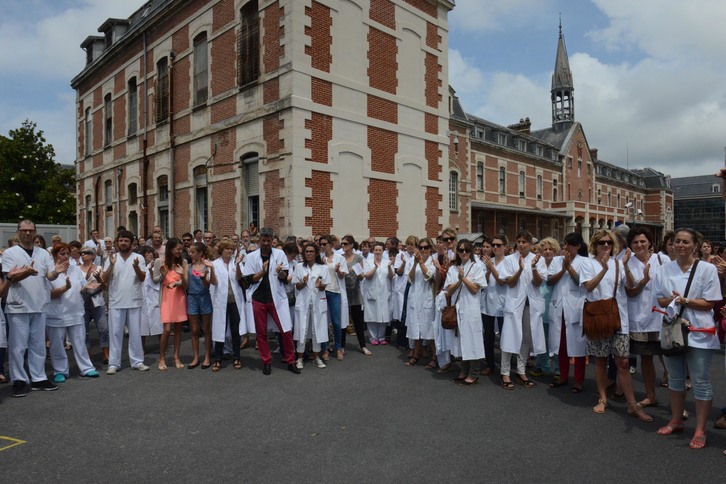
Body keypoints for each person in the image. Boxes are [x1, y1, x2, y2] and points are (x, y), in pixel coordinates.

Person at [655, 228, 721, 449]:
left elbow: (710, 302)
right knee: (675, 379)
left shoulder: (707, 269)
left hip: (699, 332)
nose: (680, 245)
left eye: (685, 242)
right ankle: (675, 420)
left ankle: (700, 429)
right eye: (677, 242)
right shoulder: (664, 269)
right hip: (673, 330)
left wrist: (684, 301)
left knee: (700, 381)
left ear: (695, 245)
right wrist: (670, 301)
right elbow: (660, 299)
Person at [581, 230, 651, 421]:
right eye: (602, 243)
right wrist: (603, 269)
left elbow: (630, 288)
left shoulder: (619, 263)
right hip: (597, 318)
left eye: (609, 243)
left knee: (623, 362)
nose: (606, 246)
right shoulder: (587, 263)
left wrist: (628, 268)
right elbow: (588, 287)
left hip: (619, 319)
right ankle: (603, 398)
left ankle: (631, 404)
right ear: (594, 245)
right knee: (601, 361)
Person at [2, 219, 68, 396]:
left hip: (39, 303)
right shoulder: (10, 253)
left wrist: (57, 272)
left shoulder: (43, 253)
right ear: (18, 232)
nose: (27, 233)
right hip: (18, 305)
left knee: (38, 345)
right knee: (17, 345)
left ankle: (38, 377)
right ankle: (19, 380)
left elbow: (49, 276)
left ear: (35, 231)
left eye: (31, 230)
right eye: (24, 230)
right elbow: (11, 278)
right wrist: (26, 273)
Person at [243, 227, 298, 375]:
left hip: (277, 299)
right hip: (258, 299)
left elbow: (285, 278)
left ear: (272, 241)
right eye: (263, 240)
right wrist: (262, 271)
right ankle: (266, 361)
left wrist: (280, 271)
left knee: (286, 330)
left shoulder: (280, 254)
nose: (266, 243)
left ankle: (291, 361)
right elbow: (248, 280)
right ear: (259, 240)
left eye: (269, 241)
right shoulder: (251, 257)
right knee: (261, 334)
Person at [498, 230, 546, 390]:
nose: (521, 244)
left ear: (530, 244)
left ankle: (521, 370)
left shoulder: (537, 259)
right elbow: (510, 283)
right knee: (509, 337)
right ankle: (505, 372)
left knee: (526, 338)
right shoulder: (509, 260)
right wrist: (519, 269)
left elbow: (538, 282)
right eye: (518, 241)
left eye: (524, 242)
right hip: (514, 303)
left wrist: (533, 268)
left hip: (530, 304)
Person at [46, 243, 99, 382]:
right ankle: (60, 371)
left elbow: (81, 288)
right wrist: (66, 287)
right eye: (62, 254)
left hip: (75, 311)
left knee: (80, 343)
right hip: (56, 314)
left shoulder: (75, 270)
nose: (65, 256)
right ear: (54, 255)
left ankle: (86, 368)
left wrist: (86, 287)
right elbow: (49, 294)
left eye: (67, 253)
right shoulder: (50, 271)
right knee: (57, 345)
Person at [102, 230, 149, 374]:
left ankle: (137, 361)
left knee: (135, 333)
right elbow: (104, 279)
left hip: (134, 300)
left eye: (126, 241)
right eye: (121, 240)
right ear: (117, 242)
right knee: (115, 333)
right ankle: (113, 363)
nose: (123, 243)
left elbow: (142, 278)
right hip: (116, 300)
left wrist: (136, 268)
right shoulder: (112, 257)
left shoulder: (139, 258)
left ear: (132, 243)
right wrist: (110, 265)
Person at [624, 227, 661, 409]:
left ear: (649, 242)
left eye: (643, 241)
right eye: (635, 242)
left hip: (663, 318)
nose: (639, 245)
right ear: (630, 245)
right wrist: (643, 281)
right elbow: (630, 292)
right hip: (640, 318)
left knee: (671, 361)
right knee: (646, 359)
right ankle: (650, 395)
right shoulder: (627, 263)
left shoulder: (662, 260)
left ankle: (679, 404)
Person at [547, 232, 588, 393]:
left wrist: (569, 268)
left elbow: (581, 282)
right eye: (565, 244)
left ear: (578, 246)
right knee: (561, 344)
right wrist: (563, 268)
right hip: (559, 306)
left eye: (570, 244)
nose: (566, 247)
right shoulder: (557, 261)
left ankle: (578, 380)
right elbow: (549, 282)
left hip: (576, 308)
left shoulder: (585, 262)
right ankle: (563, 375)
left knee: (578, 345)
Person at [446, 239, 487, 385]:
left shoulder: (477, 267)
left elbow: (476, 289)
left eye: (467, 250)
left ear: (471, 252)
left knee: (473, 341)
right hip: (458, 309)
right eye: (461, 250)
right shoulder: (453, 269)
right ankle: (463, 370)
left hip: (471, 309)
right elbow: (449, 291)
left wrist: (463, 278)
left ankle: (474, 373)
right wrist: (458, 280)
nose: (464, 253)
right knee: (460, 341)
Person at [210, 240, 248, 372]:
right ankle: (218, 359)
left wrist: (238, 265)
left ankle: (236, 357)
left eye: (231, 249)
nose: (230, 251)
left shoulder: (235, 262)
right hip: (220, 302)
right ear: (221, 250)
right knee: (220, 329)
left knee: (235, 330)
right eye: (227, 249)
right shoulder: (214, 264)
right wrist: (210, 269)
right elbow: (213, 282)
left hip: (234, 302)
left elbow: (238, 278)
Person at [292, 242, 330, 369]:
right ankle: (300, 358)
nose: (308, 253)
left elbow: (324, 286)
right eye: (306, 251)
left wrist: (320, 286)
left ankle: (317, 357)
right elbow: (297, 286)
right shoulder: (298, 267)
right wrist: (303, 282)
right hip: (303, 302)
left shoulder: (322, 267)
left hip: (317, 302)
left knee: (316, 330)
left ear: (316, 253)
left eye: (311, 251)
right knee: (301, 329)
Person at [153, 238, 189, 371]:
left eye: (181, 249)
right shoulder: (159, 261)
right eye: (178, 249)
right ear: (170, 249)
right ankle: (162, 357)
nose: (180, 251)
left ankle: (176, 357)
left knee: (179, 329)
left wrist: (182, 276)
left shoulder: (184, 262)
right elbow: (155, 280)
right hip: (166, 298)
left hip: (179, 297)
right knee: (167, 329)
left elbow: (186, 285)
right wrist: (163, 275)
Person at [403, 237, 436, 367]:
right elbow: (410, 279)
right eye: (421, 247)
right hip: (414, 298)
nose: (423, 250)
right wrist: (416, 263)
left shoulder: (433, 261)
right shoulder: (412, 261)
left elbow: (429, 276)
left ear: (430, 249)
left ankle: (434, 358)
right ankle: (416, 355)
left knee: (429, 329)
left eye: (426, 248)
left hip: (427, 298)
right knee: (415, 328)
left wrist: (421, 263)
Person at [532, 237, 560, 378]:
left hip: (555, 304)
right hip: (541, 303)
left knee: (556, 339)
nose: (548, 252)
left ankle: (559, 369)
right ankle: (542, 365)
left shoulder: (559, 263)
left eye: (550, 249)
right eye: (545, 249)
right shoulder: (538, 263)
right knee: (541, 336)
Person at [480, 235, 507, 376]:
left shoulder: (508, 262)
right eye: (494, 245)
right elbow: (482, 283)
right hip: (487, 304)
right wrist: (488, 270)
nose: (495, 247)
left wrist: (491, 267)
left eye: (498, 245)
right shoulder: (487, 262)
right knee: (488, 336)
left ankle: (505, 366)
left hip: (503, 304)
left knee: (504, 337)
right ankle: (490, 364)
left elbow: (502, 282)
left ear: (505, 247)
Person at [319, 234, 349, 361]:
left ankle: (338, 348)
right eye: (320, 244)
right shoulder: (320, 258)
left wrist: (337, 270)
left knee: (336, 322)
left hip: (335, 291)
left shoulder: (339, 258)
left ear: (331, 245)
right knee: (323, 321)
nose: (322, 246)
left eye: (324, 244)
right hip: (322, 292)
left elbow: (343, 276)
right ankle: (325, 348)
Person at [78, 245, 109, 364]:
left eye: (86, 253)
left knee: (103, 328)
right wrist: (86, 278)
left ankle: (106, 353)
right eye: (82, 253)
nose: (83, 255)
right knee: (83, 329)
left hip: (97, 301)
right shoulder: (77, 269)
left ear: (92, 255)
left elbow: (104, 286)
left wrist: (99, 280)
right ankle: (87, 353)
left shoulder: (99, 268)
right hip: (82, 301)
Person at [187, 242, 215, 369]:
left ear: (200, 253)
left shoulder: (206, 266)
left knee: (206, 328)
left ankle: (207, 356)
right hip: (192, 297)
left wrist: (204, 278)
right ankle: (195, 357)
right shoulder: (188, 266)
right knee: (194, 329)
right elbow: (185, 284)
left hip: (204, 297)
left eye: (193, 252)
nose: (190, 254)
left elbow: (207, 285)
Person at [341, 235, 371, 356]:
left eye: (346, 243)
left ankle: (362, 345)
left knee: (358, 320)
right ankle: (341, 346)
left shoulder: (358, 258)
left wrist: (357, 272)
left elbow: (361, 276)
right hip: (343, 291)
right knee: (343, 320)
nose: (343, 246)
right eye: (342, 244)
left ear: (352, 245)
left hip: (355, 291)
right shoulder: (340, 258)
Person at [363, 242, 393, 346]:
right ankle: (373, 337)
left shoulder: (387, 262)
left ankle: (381, 337)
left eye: (380, 250)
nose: (378, 252)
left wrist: (389, 267)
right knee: (372, 315)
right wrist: (375, 267)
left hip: (384, 292)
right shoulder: (368, 262)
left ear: (383, 251)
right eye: (376, 250)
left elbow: (391, 276)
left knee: (383, 315)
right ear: (373, 250)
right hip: (372, 291)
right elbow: (367, 275)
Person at [139, 246, 162, 352]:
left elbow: (156, 280)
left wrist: (151, 269)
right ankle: (141, 348)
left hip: (154, 297)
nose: (150, 255)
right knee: (141, 326)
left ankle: (163, 347)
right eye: (148, 253)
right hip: (143, 297)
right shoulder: (139, 266)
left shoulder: (156, 266)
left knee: (158, 323)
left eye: (151, 253)